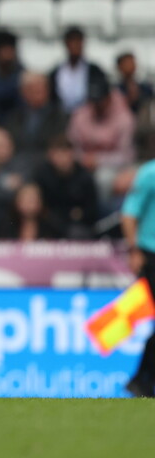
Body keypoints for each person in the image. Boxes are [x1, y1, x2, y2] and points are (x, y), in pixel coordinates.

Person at [120, 156, 155, 397]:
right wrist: (134, 250)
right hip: (151, 254)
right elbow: (129, 213)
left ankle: (141, 379)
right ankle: (142, 379)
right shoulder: (150, 173)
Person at [33, 135, 98, 239]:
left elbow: (92, 210)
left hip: (77, 224)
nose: (61, 159)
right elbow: (39, 204)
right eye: (57, 154)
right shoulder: (42, 175)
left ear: (72, 154)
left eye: (64, 153)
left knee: (77, 232)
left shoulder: (84, 177)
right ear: (50, 155)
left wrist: (77, 215)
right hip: (48, 222)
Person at [5, 71, 69, 158]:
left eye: (41, 87)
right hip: (18, 164)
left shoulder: (59, 116)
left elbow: (58, 145)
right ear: (23, 92)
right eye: (32, 88)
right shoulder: (14, 117)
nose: (38, 91)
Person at [49, 26, 107, 113]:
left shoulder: (95, 71)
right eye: (72, 42)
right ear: (66, 44)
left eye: (78, 42)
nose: (75, 46)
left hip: (88, 117)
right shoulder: (56, 72)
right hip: (61, 117)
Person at [0, 182, 64, 239]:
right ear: (16, 202)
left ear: (40, 202)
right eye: (25, 200)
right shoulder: (6, 225)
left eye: (32, 200)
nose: (29, 205)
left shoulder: (51, 224)